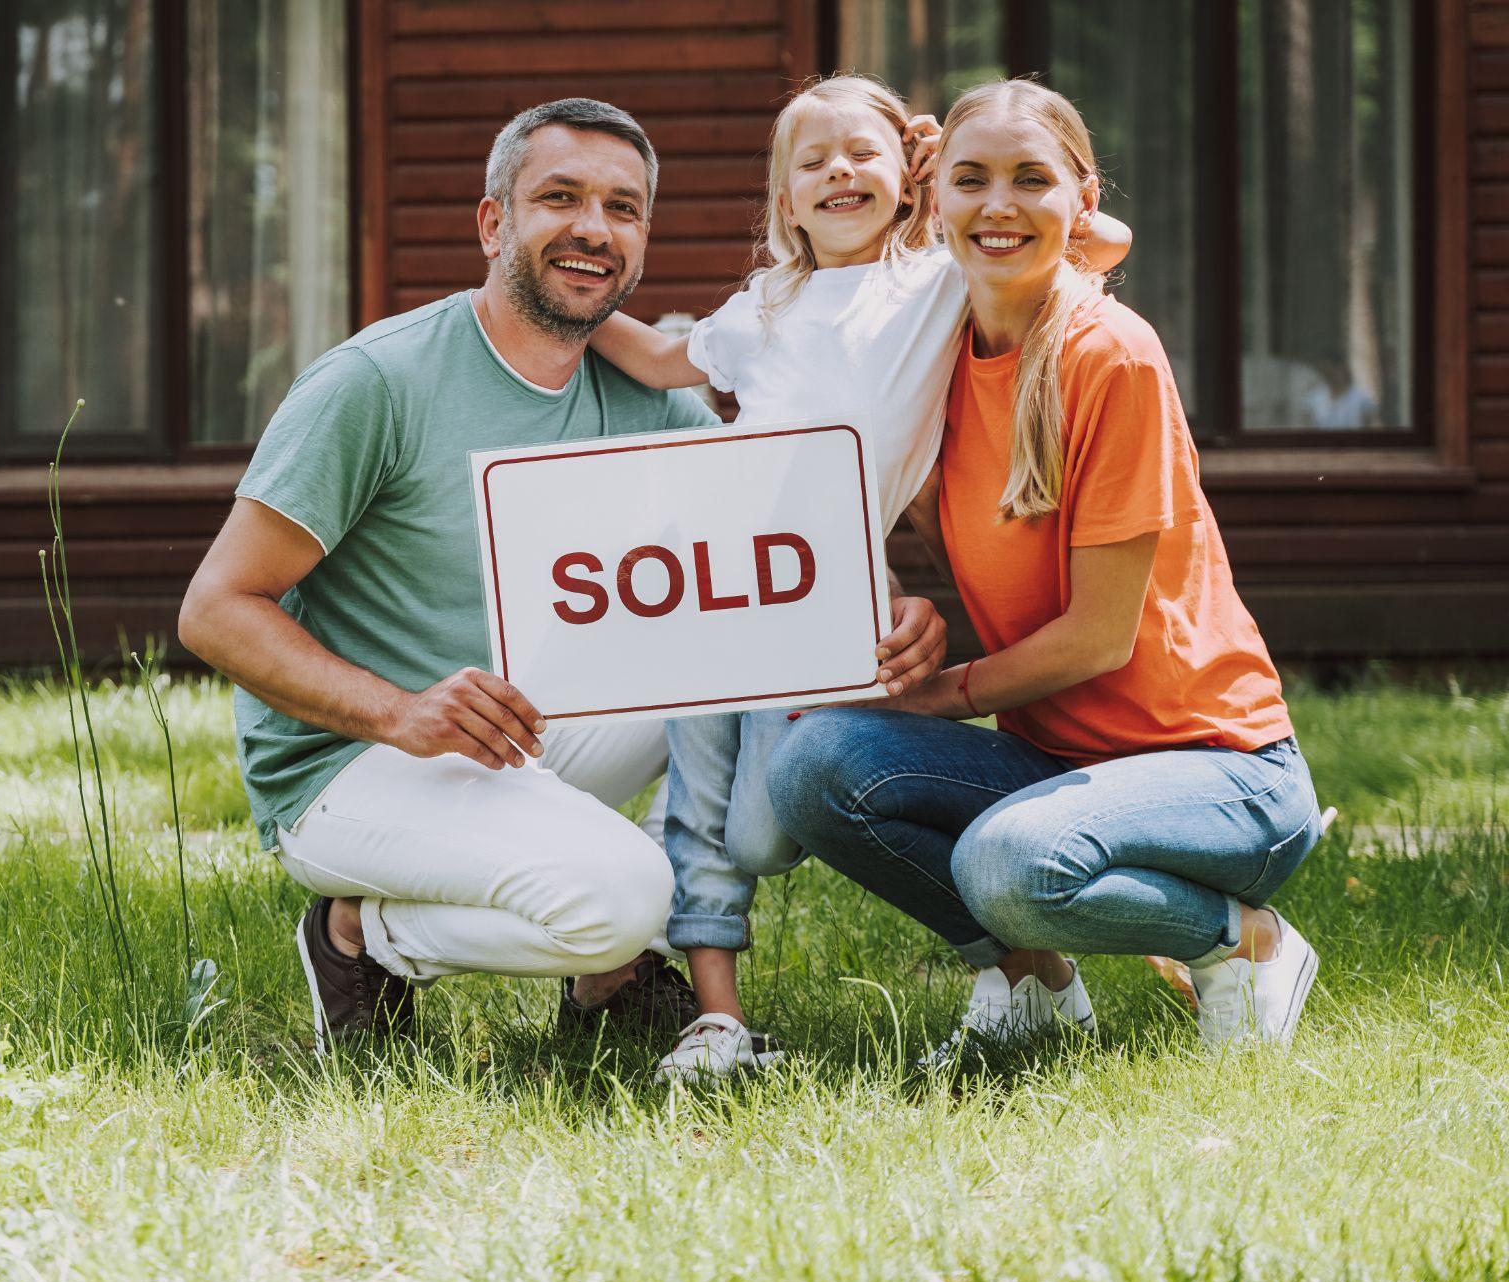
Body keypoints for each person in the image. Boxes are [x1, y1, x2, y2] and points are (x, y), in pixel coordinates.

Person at [178, 97, 951, 1054]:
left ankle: (602, 985)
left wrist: (886, 612)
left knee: (713, 660)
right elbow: (214, 611)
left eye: (623, 208)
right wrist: (398, 713)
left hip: (519, 720)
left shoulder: (639, 396)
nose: (593, 227)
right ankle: (360, 935)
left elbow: (772, 546)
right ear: (494, 221)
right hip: (354, 758)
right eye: (560, 198)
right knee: (632, 893)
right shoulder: (377, 382)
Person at [766, 79, 1323, 1062]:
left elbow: (1097, 635)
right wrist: (916, 618)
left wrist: (938, 695)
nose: (997, 205)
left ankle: (1246, 943)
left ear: (1080, 198)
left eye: (1031, 180)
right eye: (970, 180)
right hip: (1058, 762)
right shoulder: (929, 357)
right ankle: (1034, 987)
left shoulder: (1112, 355)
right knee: (813, 766)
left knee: (1006, 864)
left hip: (1220, 775)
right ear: (931, 197)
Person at [587, 75, 1129, 1082]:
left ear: (906, 179)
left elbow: (1100, 246)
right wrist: (569, 305)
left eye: (863, 154)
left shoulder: (933, 282)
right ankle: (714, 1019)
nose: (839, 171)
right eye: (812, 160)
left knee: (763, 829)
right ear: (783, 201)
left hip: (821, 604)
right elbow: (663, 360)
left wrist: (951, 169)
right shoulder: (760, 304)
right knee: (700, 801)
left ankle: (1025, 960)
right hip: (712, 581)